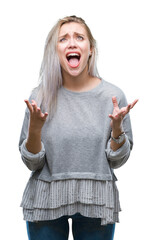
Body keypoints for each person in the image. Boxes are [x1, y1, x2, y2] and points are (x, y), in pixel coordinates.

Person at [19, 15, 138, 240]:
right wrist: (34, 130)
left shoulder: (112, 97)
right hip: (46, 198)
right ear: (55, 51)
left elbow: (117, 161)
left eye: (79, 37)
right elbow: (32, 163)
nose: (72, 43)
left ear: (90, 49)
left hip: (97, 198)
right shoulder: (39, 97)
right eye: (63, 39)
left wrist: (116, 131)